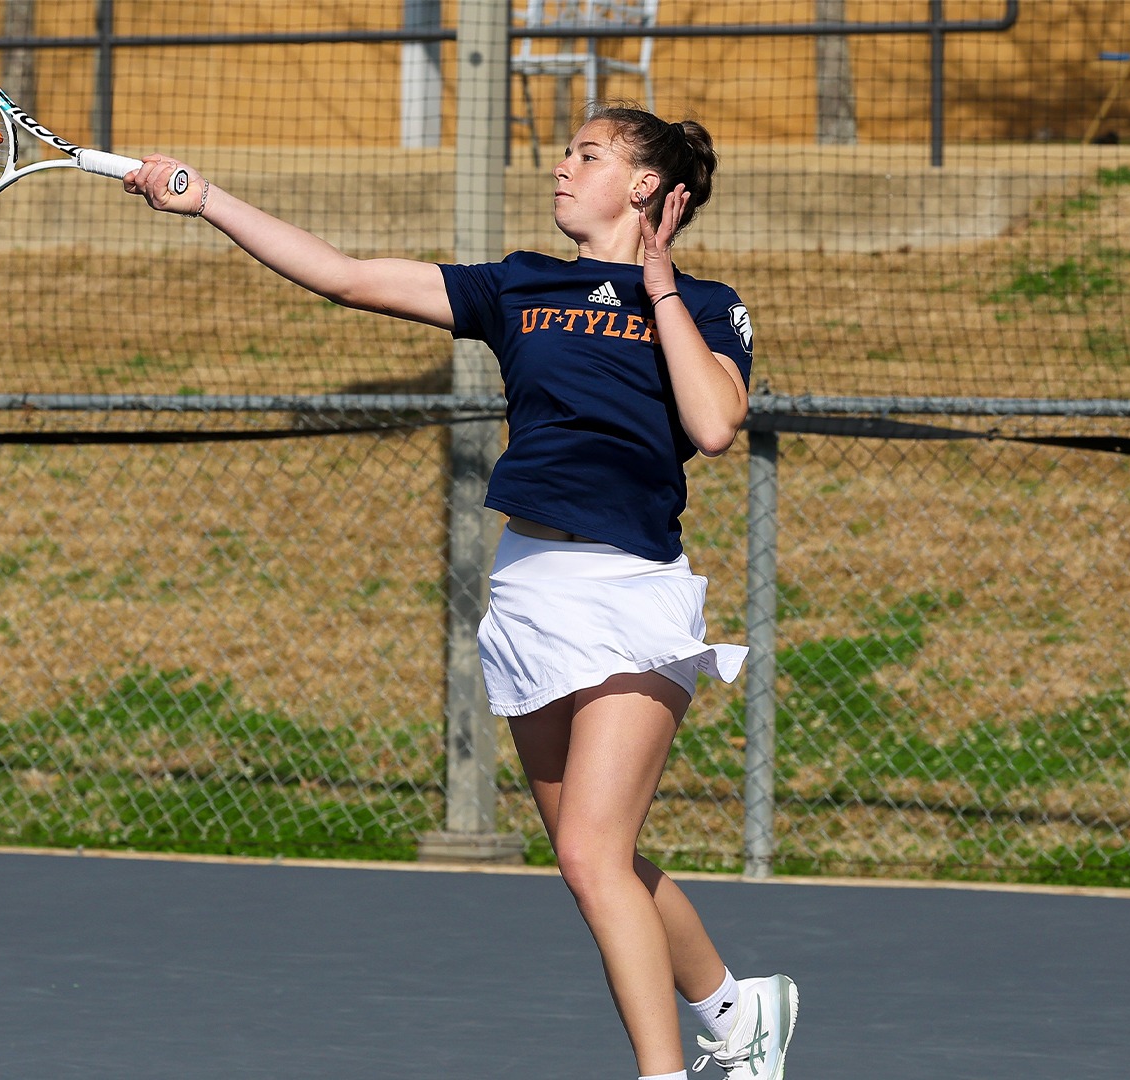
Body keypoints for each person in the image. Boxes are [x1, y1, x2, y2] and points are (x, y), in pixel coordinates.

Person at [123, 103, 796, 1080]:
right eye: (568, 151)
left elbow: (714, 425)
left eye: (589, 155)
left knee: (592, 860)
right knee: (587, 857)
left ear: (646, 186)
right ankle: (737, 1011)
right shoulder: (516, 285)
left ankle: (664, 1073)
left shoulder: (708, 304)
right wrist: (210, 201)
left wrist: (657, 289)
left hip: (629, 592)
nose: (563, 167)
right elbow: (347, 277)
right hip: (530, 590)